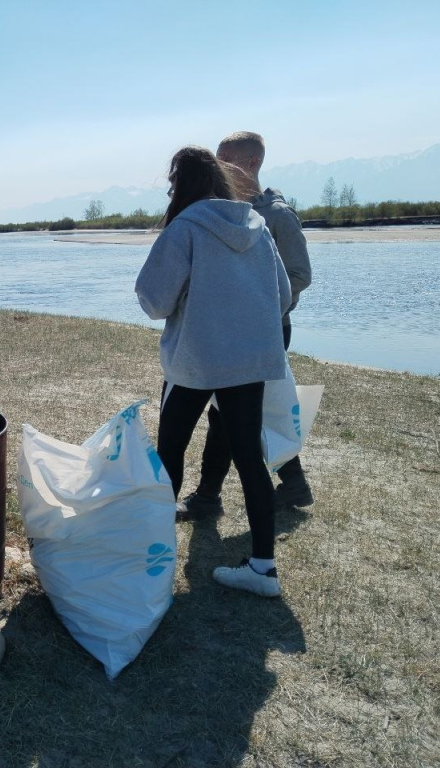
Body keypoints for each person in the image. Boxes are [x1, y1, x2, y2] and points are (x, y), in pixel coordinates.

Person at [135, 146, 291, 597]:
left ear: (180, 185)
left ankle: (154, 562)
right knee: (250, 458)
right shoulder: (257, 225)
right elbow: (283, 296)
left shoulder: (185, 228)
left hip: (195, 361)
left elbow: (153, 301)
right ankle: (263, 569)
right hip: (249, 362)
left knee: (171, 451)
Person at [180, 132, 314, 521]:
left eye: (226, 160)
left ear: (252, 164)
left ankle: (212, 497)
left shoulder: (277, 215)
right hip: (230, 334)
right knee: (233, 411)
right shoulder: (222, 210)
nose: (217, 167)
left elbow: (300, 275)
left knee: (241, 412)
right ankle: (285, 486)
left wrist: (257, 310)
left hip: (267, 331)